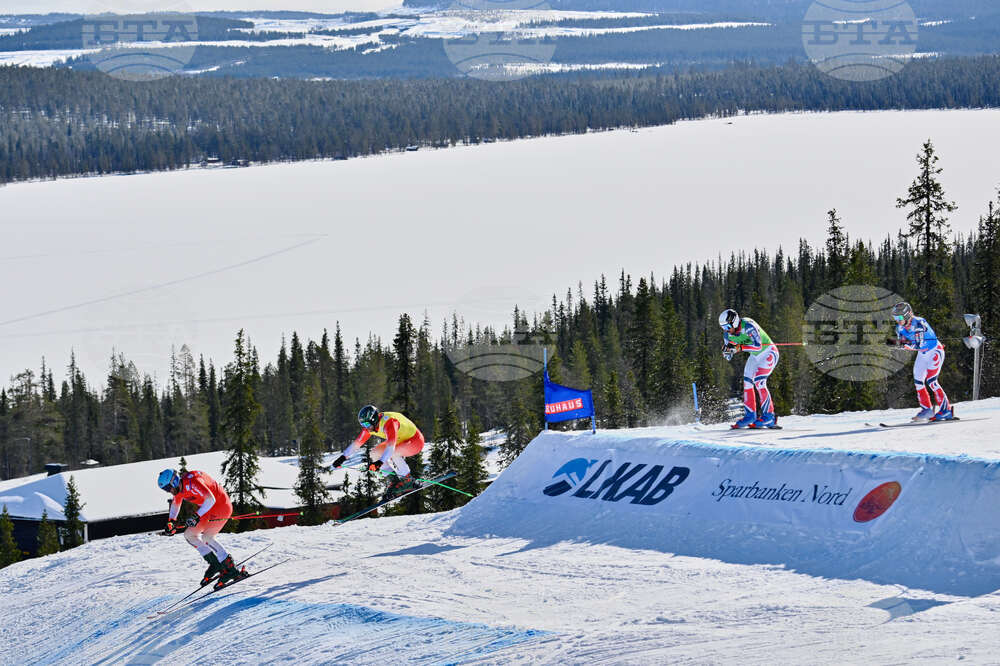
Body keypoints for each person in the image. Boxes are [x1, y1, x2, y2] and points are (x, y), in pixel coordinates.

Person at [158, 468, 248, 590]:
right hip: (207, 509)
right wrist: (171, 522)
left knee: (207, 537)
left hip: (221, 505)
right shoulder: (179, 489)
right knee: (189, 535)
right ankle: (215, 564)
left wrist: (196, 516)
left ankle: (231, 570)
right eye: (165, 489)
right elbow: (175, 504)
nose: (169, 491)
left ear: (174, 481)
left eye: (168, 488)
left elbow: (211, 499)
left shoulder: (193, 482)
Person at [331, 405, 425, 501]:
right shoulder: (370, 427)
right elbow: (357, 443)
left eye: (366, 424)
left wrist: (379, 463)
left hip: (415, 441)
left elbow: (391, 447)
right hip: (400, 441)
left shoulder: (389, 423)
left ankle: (407, 480)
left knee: (392, 453)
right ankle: (393, 480)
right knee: (375, 453)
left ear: (373, 420)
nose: (365, 428)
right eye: (363, 425)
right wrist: (343, 457)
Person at [889, 301, 954, 421]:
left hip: (934, 351)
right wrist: (896, 343)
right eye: (895, 318)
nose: (897, 321)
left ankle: (946, 410)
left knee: (931, 381)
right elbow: (903, 342)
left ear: (907, 315)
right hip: (922, 354)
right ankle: (927, 410)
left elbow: (918, 344)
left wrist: (902, 344)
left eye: (899, 318)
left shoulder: (919, 323)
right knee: (918, 381)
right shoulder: (900, 328)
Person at [719, 309, 780, 429]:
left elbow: (758, 346)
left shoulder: (748, 326)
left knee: (759, 381)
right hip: (755, 356)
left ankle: (769, 416)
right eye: (723, 327)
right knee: (747, 382)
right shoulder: (727, 334)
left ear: (734, 322)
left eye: (727, 326)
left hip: (768, 352)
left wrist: (739, 348)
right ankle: (750, 415)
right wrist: (727, 352)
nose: (726, 329)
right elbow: (728, 356)